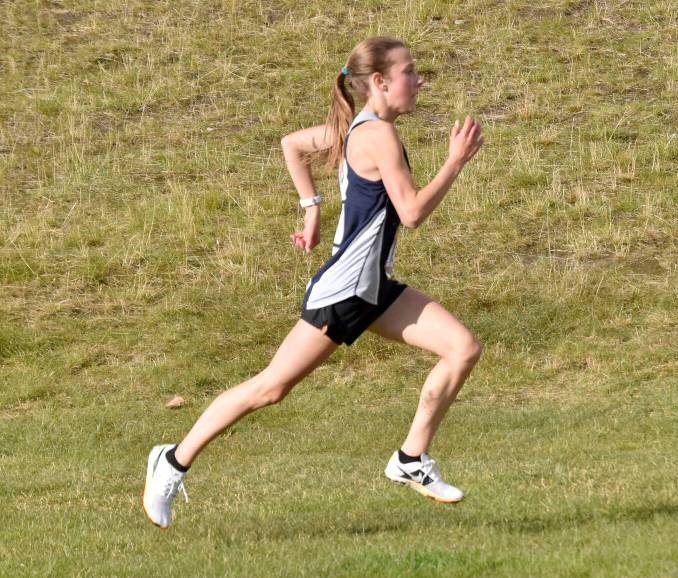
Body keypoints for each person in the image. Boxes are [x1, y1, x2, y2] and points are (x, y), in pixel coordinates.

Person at [143, 36, 484, 528]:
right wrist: (455, 162)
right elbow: (410, 213)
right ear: (382, 82)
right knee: (270, 388)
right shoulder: (377, 136)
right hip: (344, 292)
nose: (419, 80)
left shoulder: (361, 127)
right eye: (411, 71)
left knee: (462, 348)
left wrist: (311, 209)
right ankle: (171, 461)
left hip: (374, 289)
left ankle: (411, 459)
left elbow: (294, 145)